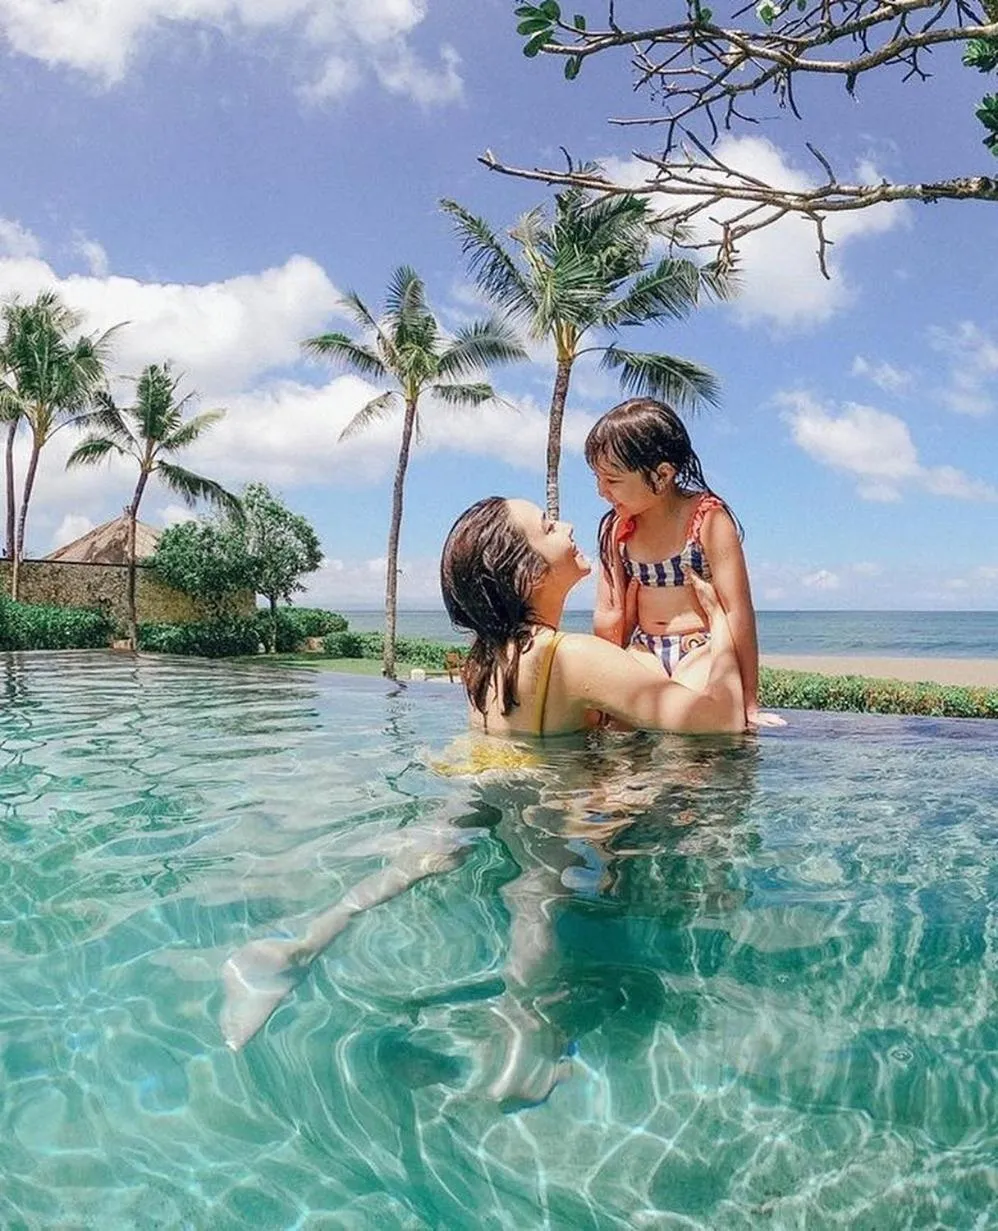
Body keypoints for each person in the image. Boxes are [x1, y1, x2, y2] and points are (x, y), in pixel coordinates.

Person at [439, 495, 745, 737]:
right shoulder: (570, 656)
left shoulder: (485, 662)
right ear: (529, 576)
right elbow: (723, 720)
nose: (567, 526)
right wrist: (718, 619)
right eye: (548, 528)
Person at [585, 397, 784, 729]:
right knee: (618, 731)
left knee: (687, 730)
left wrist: (749, 701)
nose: (601, 491)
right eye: (597, 478)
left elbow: (737, 612)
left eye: (612, 480)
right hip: (644, 648)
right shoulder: (617, 529)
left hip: (700, 647)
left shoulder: (707, 520)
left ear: (662, 475)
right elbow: (609, 614)